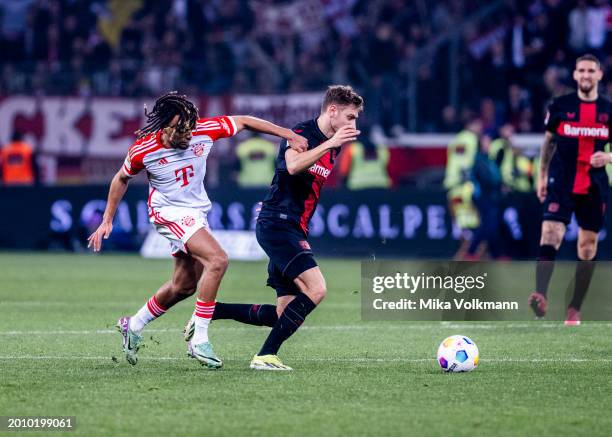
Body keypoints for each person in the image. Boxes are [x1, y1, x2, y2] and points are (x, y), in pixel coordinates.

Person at [87, 92, 307, 367]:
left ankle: (133, 324)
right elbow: (121, 178)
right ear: (164, 126)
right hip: (167, 212)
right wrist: (107, 219)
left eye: (190, 127)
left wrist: (288, 134)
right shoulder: (144, 150)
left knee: (184, 286)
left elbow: (245, 121)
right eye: (181, 129)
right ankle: (198, 338)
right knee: (218, 259)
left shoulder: (203, 130)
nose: (188, 134)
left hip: (196, 213)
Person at [186, 85, 363, 370]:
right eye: (350, 117)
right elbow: (292, 167)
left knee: (284, 313)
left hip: (292, 226)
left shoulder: (335, 141)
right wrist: (328, 145)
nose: (354, 124)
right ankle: (265, 356)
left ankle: (208, 313)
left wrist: (331, 143)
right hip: (279, 225)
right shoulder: (302, 134)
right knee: (317, 289)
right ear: (333, 111)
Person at [529, 54, 612, 325]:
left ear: (599, 75)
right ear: (575, 75)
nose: (586, 75)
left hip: (594, 186)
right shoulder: (560, 106)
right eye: (581, 71)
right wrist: (541, 175)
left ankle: (574, 308)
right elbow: (549, 142)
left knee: (587, 248)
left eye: (591, 71)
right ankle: (540, 295)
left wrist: (608, 158)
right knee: (550, 232)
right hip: (561, 181)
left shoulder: (608, 110)